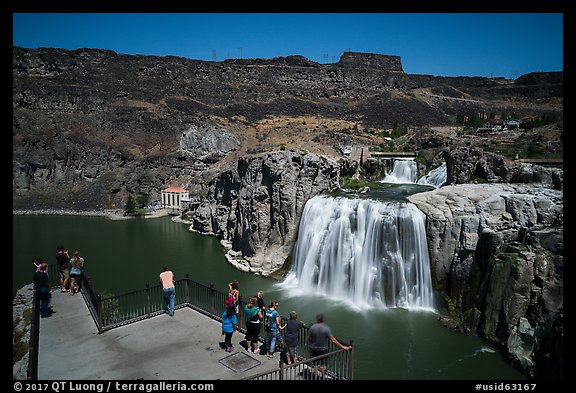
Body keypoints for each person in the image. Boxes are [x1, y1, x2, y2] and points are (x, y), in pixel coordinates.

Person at [307, 313, 351, 379]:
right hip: (323, 349)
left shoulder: (312, 328)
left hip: (314, 349)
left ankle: (315, 378)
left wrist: (311, 345)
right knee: (324, 365)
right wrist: (342, 346)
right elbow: (333, 340)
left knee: (315, 365)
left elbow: (308, 339)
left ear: (317, 320)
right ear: (323, 320)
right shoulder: (326, 328)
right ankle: (323, 377)